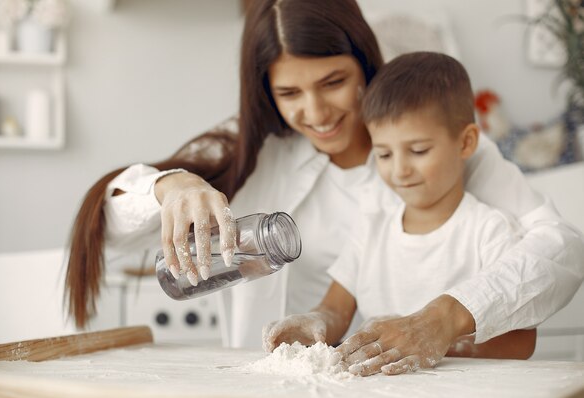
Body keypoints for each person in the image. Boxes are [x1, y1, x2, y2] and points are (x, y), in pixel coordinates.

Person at [65, 0, 584, 372]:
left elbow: (560, 248)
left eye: (333, 82)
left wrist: (444, 318)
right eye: (289, 92)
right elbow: (110, 233)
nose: (315, 113)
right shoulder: (252, 149)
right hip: (273, 389)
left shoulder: (443, 148)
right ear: (265, 91)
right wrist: (172, 187)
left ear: (364, 62)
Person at [263, 51, 538, 375]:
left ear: (465, 143)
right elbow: (335, 310)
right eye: (384, 154)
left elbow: (521, 342)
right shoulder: (372, 227)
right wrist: (315, 322)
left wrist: (436, 340)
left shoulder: (489, 232)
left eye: (418, 151)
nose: (400, 170)